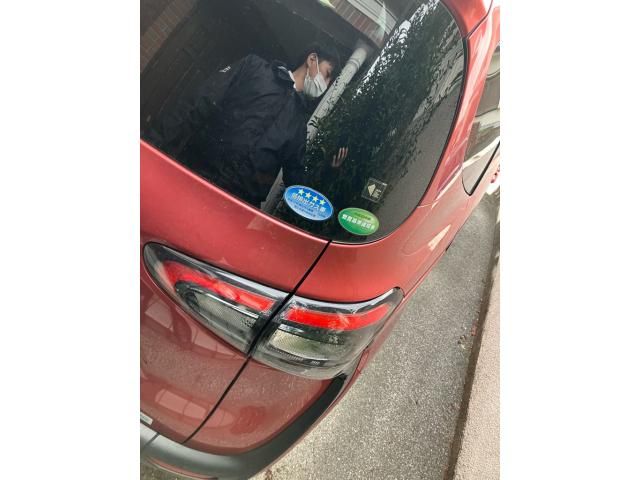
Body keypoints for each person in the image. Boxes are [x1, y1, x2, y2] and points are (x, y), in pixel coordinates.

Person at [151, 43, 347, 207]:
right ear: (312, 59)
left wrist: (328, 172)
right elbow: (198, 104)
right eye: (327, 74)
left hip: (234, 211)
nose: (325, 84)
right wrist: (153, 146)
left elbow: (297, 184)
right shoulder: (255, 69)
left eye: (329, 81)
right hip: (191, 179)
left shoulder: (298, 125)